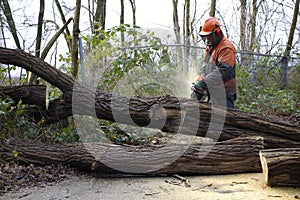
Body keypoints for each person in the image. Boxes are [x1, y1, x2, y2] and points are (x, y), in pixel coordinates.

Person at [191, 17, 237, 108]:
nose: (207, 39)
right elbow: (205, 65)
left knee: (226, 120)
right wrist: (201, 77)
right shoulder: (211, 47)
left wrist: (204, 83)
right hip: (213, 91)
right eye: (205, 36)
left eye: (209, 36)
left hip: (224, 94)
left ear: (217, 33)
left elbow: (223, 71)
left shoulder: (226, 48)